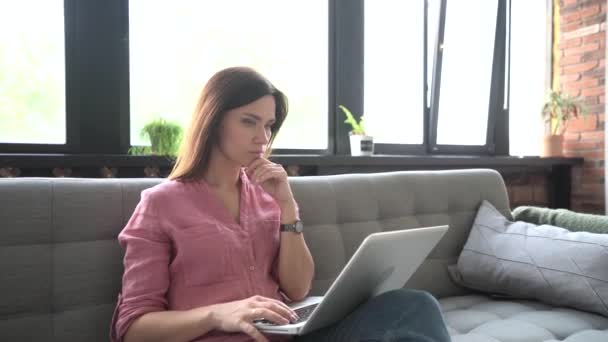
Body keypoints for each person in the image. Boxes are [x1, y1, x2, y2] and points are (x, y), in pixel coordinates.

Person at [110, 66, 452, 342]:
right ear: (213, 122)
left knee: (413, 305)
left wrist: (288, 207)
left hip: (289, 335)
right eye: (249, 121)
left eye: (269, 125)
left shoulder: (267, 197)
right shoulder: (159, 205)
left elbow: (298, 288)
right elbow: (133, 329)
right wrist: (219, 314)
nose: (263, 138)